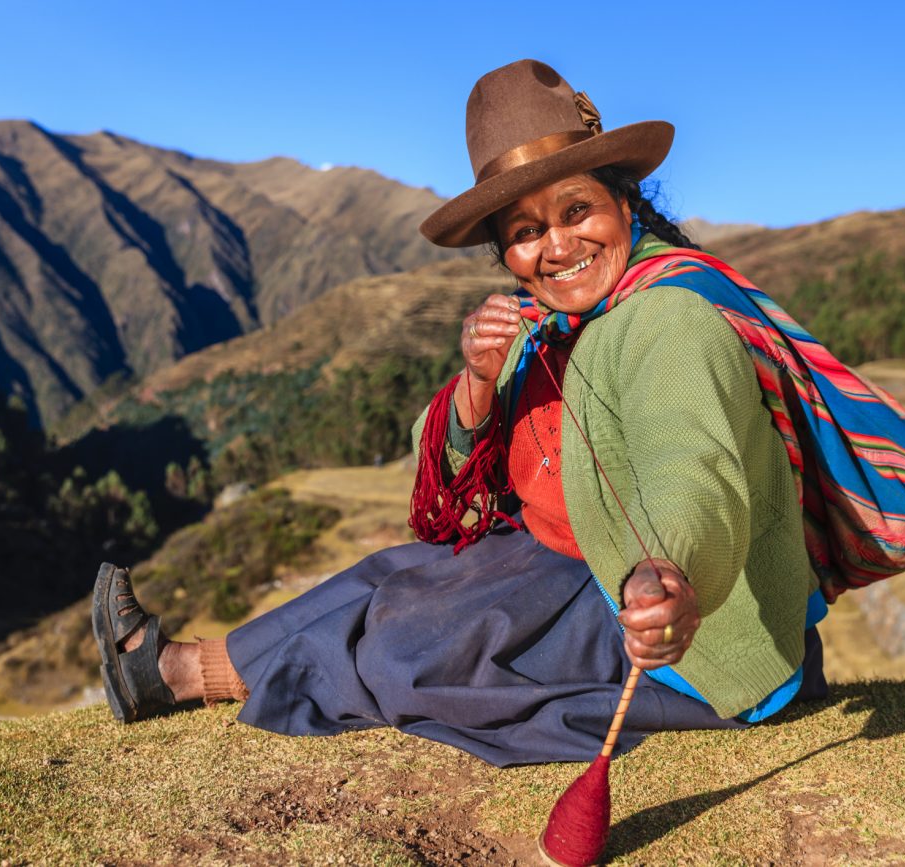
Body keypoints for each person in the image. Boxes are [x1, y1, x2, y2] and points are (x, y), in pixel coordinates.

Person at [91, 59, 847, 767]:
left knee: (404, 645)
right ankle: (174, 671)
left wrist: (669, 573)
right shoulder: (544, 325)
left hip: (663, 612)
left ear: (624, 201)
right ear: (504, 252)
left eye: (576, 209)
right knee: (387, 574)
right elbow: (447, 473)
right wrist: (480, 383)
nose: (558, 245)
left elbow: (697, 470)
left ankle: (217, 675)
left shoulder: (669, 321)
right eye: (525, 231)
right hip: (566, 558)